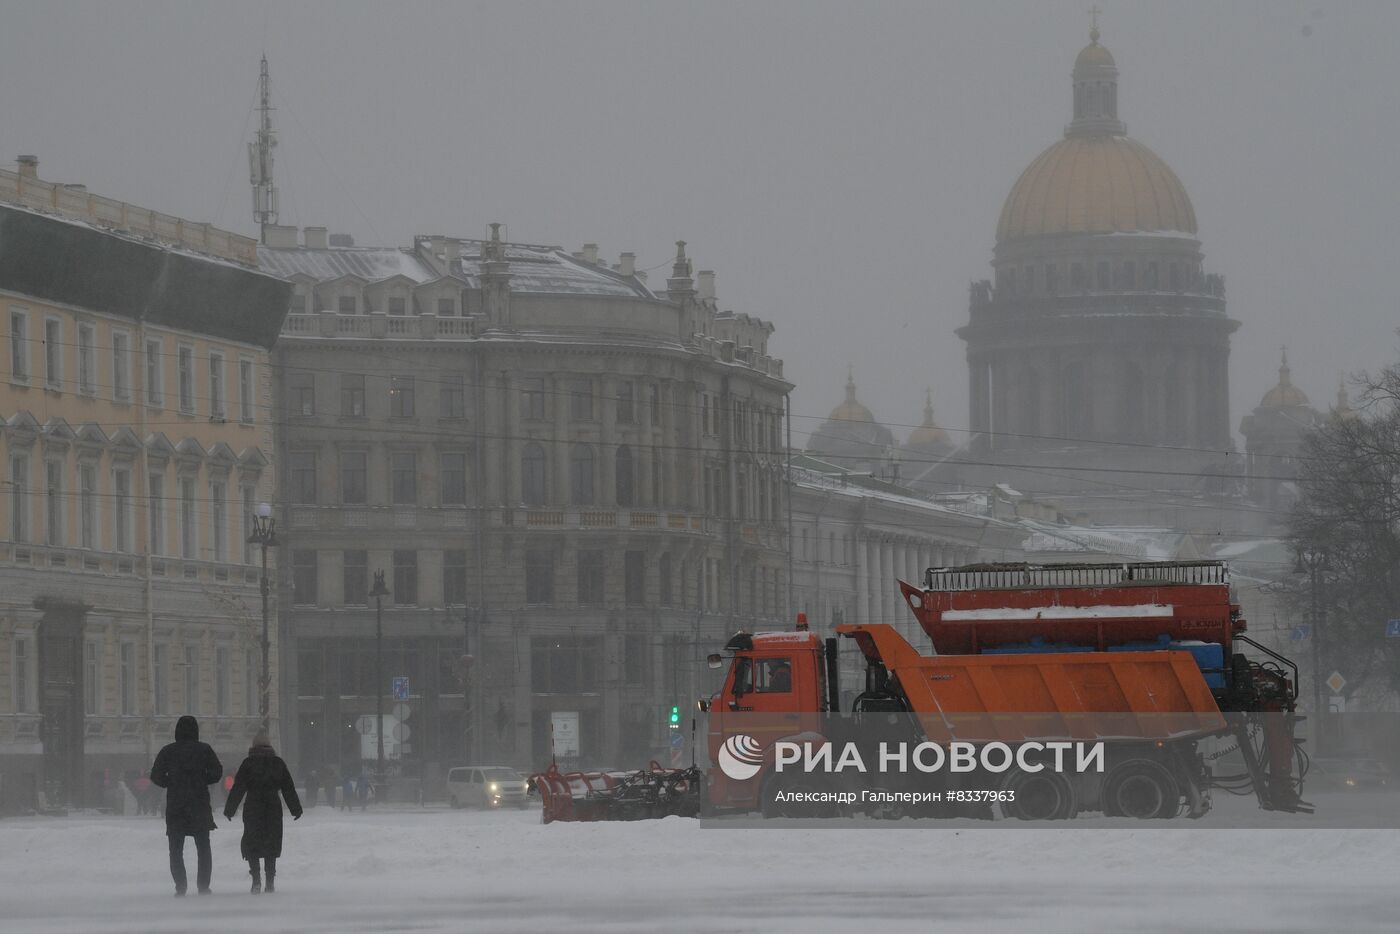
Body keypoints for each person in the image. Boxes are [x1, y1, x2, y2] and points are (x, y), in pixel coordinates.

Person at [150, 715, 222, 896]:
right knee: (203, 847)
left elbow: (155, 775)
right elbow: (217, 772)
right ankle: (203, 886)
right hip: (199, 803)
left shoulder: (168, 751)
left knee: (175, 849)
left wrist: (171, 782)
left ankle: (180, 886)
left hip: (176, 805)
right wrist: (202, 779)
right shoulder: (204, 750)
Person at [224, 732, 302, 894]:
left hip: (253, 807)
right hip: (273, 807)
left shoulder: (248, 764)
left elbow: (238, 788)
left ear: (253, 747)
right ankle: (270, 881)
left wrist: (230, 809)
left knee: (252, 842)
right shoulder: (278, 763)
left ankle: (256, 880)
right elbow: (288, 788)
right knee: (271, 843)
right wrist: (296, 809)